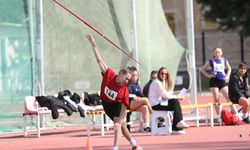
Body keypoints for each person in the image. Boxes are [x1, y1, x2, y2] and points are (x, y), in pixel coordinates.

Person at [86, 34, 140, 150]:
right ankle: (133, 143)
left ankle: (115, 147)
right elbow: (99, 60)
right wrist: (93, 44)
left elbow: (124, 107)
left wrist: (119, 121)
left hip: (118, 105)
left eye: (128, 80)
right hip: (106, 103)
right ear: (120, 73)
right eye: (126, 78)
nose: (126, 82)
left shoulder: (124, 90)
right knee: (124, 126)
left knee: (118, 123)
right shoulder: (109, 74)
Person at [148, 67, 189, 135]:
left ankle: (176, 127)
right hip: (155, 105)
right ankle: (177, 125)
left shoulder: (161, 82)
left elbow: (164, 93)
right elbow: (165, 96)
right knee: (175, 101)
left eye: (166, 74)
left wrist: (174, 92)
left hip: (160, 103)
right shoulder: (157, 82)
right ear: (159, 74)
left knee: (175, 103)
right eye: (162, 73)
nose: (164, 75)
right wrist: (177, 97)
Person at [199, 47, 238, 115]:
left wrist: (227, 76)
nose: (217, 53)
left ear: (221, 53)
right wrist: (209, 76)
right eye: (216, 52)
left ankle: (236, 114)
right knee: (216, 99)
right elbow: (202, 69)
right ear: (213, 53)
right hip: (214, 82)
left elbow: (229, 68)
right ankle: (219, 116)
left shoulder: (224, 60)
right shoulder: (211, 61)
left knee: (229, 97)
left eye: (219, 52)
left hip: (223, 81)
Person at [126, 66, 153, 132]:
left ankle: (146, 126)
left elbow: (142, 95)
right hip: (128, 104)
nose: (135, 77)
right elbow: (125, 94)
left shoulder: (137, 85)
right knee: (146, 100)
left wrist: (140, 98)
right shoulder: (127, 84)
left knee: (145, 107)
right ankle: (153, 112)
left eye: (136, 75)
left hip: (136, 103)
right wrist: (133, 96)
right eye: (133, 75)